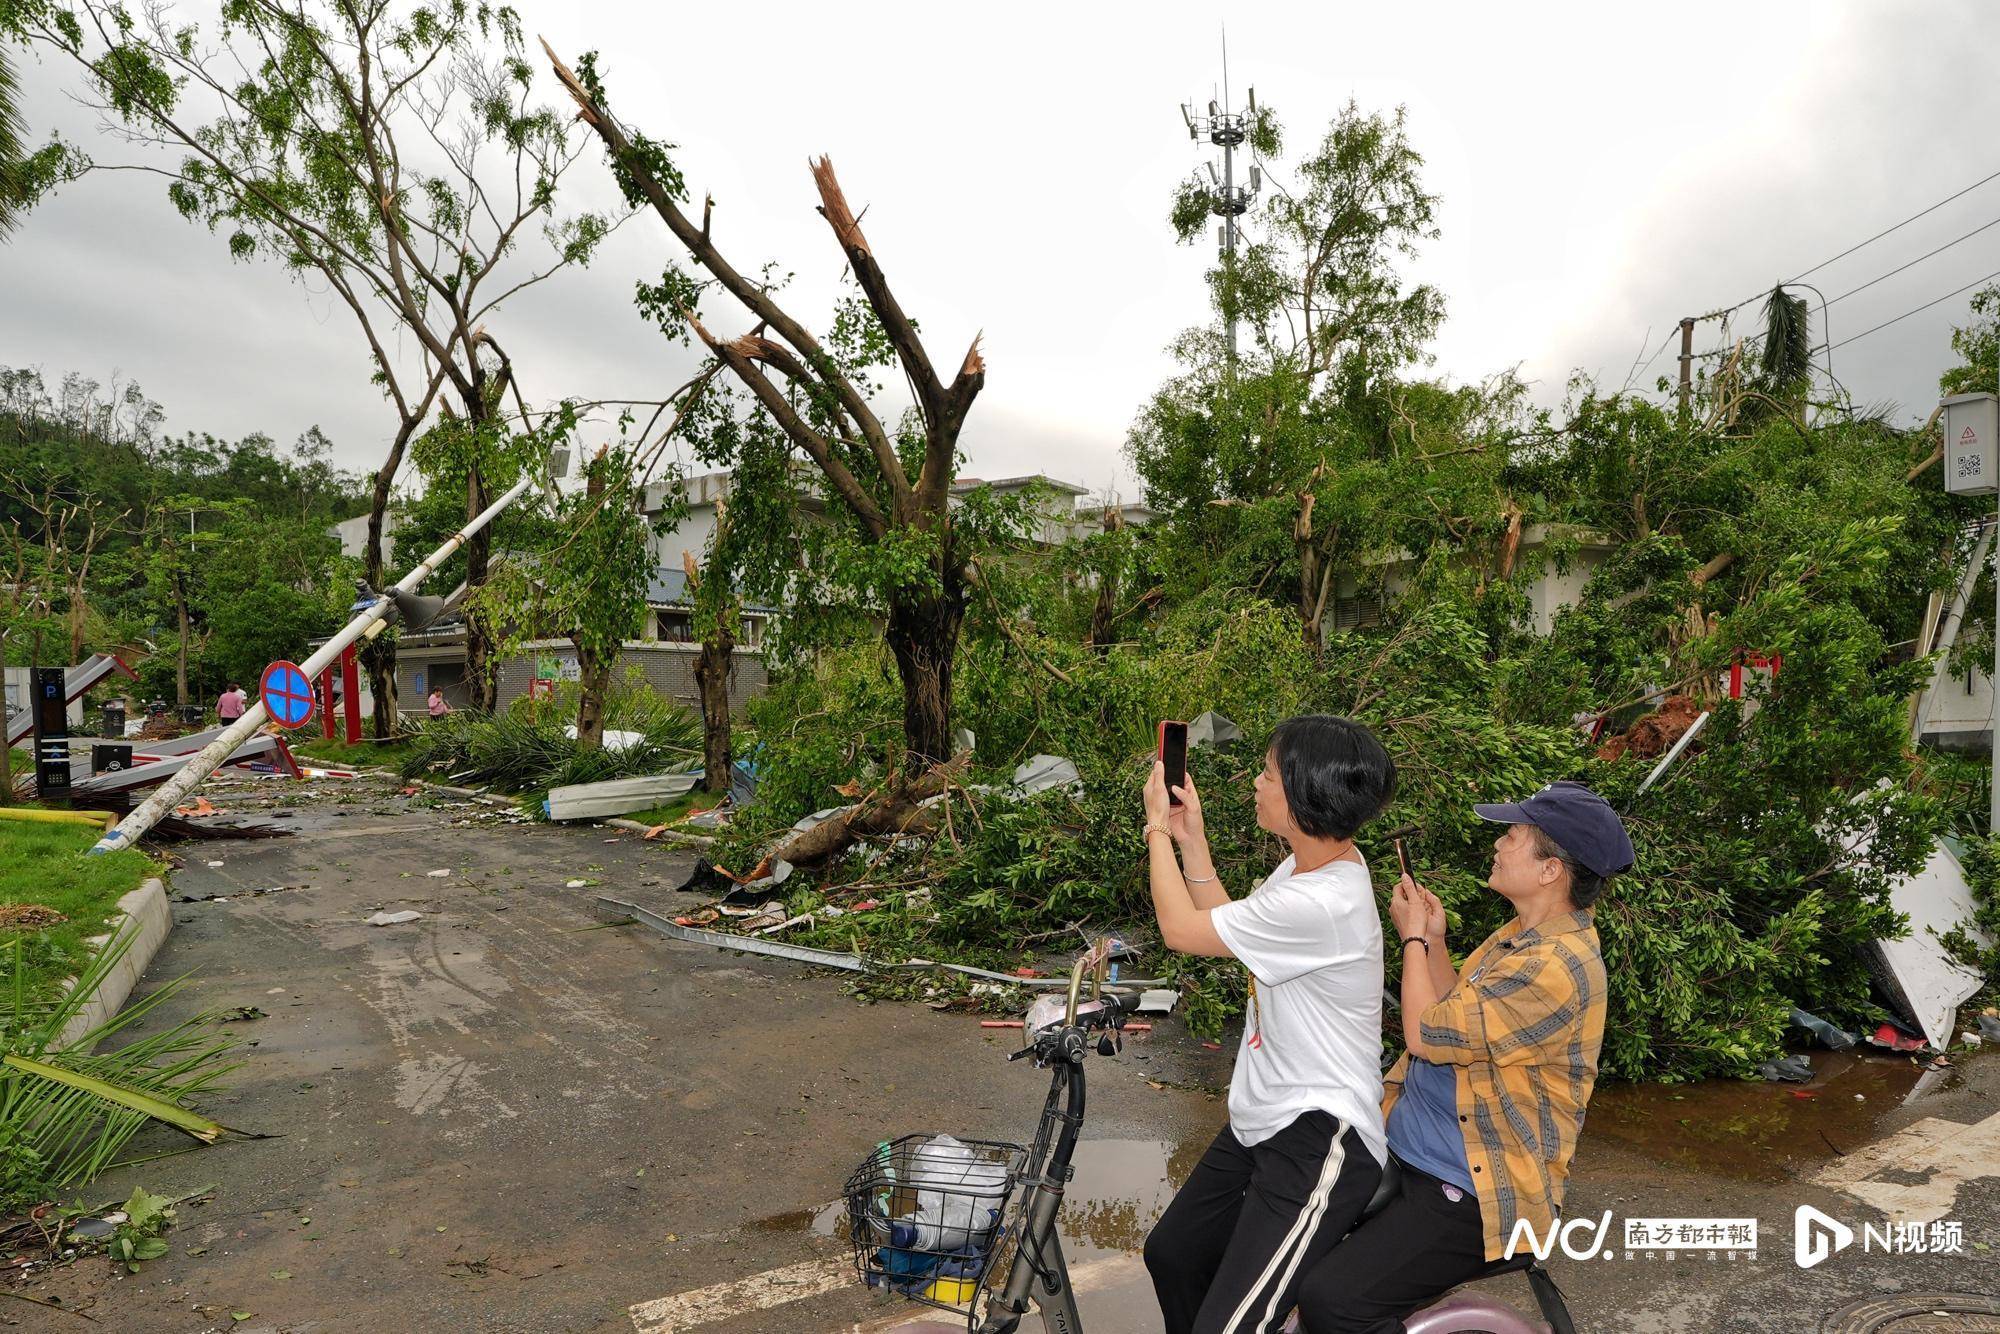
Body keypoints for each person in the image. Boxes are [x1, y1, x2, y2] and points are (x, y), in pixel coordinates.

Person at [1294, 780, 1631, 1334]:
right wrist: (1434, 938)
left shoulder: (1553, 966)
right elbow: (1457, 1011)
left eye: (1513, 836)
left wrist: (1412, 940)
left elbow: (1425, 1033)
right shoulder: (1522, 935)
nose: (1498, 844)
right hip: (1416, 1151)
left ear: (1550, 870)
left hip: (1473, 1188)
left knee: (1334, 1301)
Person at [1142, 715, 1397, 1334]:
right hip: (1266, 1119)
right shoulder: (1311, 867)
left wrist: (1156, 829)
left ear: (1305, 793)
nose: (1255, 783)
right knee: (1174, 1255)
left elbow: (1180, 930)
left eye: (1268, 773)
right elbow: (1236, 930)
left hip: (1319, 1135)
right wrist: (1191, 840)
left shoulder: (1325, 901)